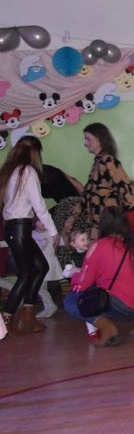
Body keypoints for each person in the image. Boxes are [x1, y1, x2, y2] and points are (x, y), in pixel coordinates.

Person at [64, 207, 134, 346]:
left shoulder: (99, 245)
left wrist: (74, 274)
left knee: (71, 300)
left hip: (124, 304)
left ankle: (106, 328)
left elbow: (82, 284)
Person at [0, 137, 58, 335]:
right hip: (18, 228)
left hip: (16, 227)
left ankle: (27, 314)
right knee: (26, 274)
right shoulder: (27, 171)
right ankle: (6, 318)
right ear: (35, 152)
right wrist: (53, 232)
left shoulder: (10, 170)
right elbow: (39, 205)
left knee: (40, 267)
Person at [65, 123, 134, 239]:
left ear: (100, 139)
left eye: (88, 139)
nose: (85, 143)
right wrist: (72, 217)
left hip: (109, 225)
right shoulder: (97, 163)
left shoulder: (109, 161)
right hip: (97, 225)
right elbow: (87, 196)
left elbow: (126, 189)